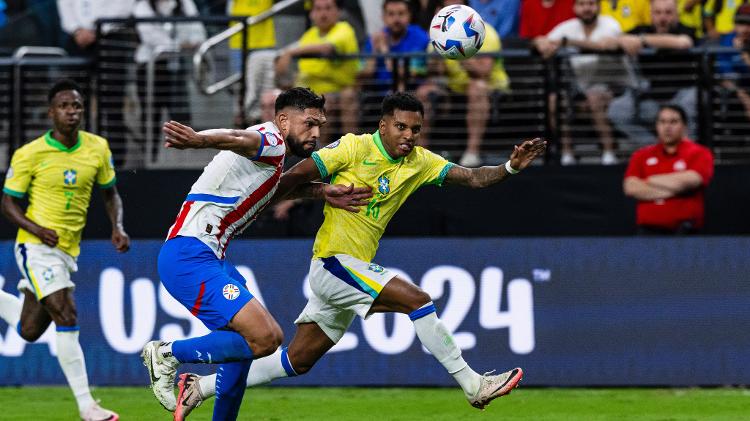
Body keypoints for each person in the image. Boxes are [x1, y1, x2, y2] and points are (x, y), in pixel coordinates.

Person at [173, 92, 547, 420]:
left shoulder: (420, 162)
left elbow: (473, 178)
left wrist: (510, 166)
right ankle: (472, 384)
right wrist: (322, 192)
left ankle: (199, 388)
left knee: (297, 360)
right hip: (333, 263)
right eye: (401, 127)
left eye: (415, 130)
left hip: (348, 271)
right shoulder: (352, 148)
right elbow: (289, 179)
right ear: (383, 125)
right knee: (417, 300)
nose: (409, 136)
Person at [140, 87, 372, 421]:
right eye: (308, 123)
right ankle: (166, 354)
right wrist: (199, 140)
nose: (316, 133)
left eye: (320, 124)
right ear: (283, 120)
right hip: (189, 256)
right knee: (267, 339)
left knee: (242, 351)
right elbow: (238, 137)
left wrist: (324, 192)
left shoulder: (271, 159)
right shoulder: (271, 140)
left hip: (208, 257)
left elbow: (271, 194)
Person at [0, 79, 129, 421]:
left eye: (77, 106)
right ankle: (88, 406)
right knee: (66, 313)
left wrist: (117, 226)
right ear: (51, 113)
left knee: (29, 330)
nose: (72, 112)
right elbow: (8, 204)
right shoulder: (29, 154)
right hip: (35, 247)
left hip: (68, 250)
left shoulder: (97, 148)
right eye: (64, 107)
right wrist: (36, 228)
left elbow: (110, 193)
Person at [532, 0, 631, 165]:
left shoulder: (610, 24)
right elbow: (544, 40)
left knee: (594, 96)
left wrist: (569, 42)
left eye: (591, 4)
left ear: (599, 6)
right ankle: (567, 154)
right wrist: (539, 43)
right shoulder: (568, 27)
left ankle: (609, 153)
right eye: (582, 4)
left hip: (615, 86)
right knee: (554, 101)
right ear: (575, 7)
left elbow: (603, 46)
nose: (587, 8)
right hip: (581, 87)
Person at [417, 0, 511, 167]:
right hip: (454, 88)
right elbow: (433, 74)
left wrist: (460, 51)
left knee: (477, 87)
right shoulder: (439, 33)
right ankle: (419, 155)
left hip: (489, 87)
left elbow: (483, 72)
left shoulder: (486, 31)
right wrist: (436, 62)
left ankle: (472, 153)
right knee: (425, 91)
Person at [56, 0, 137, 167]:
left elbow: (125, 5)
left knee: (112, 107)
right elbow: (65, 5)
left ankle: (114, 164)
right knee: (72, 103)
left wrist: (97, 29)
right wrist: (77, 30)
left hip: (111, 38)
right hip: (76, 40)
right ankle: (73, 159)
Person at [608, 0, 698, 144]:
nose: (663, 18)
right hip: (649, 99)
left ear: (676, 15)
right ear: (651, 14)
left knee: (691, 103)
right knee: (617, 111)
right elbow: (607, 41)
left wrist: (641, 40)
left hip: (681, 97)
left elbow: (684, 42)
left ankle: (686, 153)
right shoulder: (640, 30)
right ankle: (656, 149)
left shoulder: (687, 30)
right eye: (658, 13)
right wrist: (621, 40)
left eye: (668, 13)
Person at [275, 0, 360, 144]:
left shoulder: (344, 29)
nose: (323, 13)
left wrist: (289, 52)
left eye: (328, 8)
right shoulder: (310, 34)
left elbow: (327, 48)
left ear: (338, 12)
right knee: (271, 99)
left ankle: (326, 154)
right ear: (312, 13)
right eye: (318, 9)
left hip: (334, 90)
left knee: (323, 105)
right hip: (306, 91)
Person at [623, 104, 714, 234]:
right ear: (656, 126)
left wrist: (648, 180)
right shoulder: (641, 155)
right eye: (662, 122)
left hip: (685, 231)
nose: (667, 127)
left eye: (673, 122)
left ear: (684, 126)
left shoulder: (700, 153)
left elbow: (692, 180)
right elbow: (631, 187)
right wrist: (678, 191)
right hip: (647, 232)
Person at [134, 0, 206, 156]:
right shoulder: (142, 6)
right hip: (150, 70)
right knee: (150, 118)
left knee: (181, 119)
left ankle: (185, 164)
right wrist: (181, 45)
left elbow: (198, 33)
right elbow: (152, 39)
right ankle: (148, 161)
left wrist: (186, 44)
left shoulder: (185, 3)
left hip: (176, 69)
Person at [360, 0, 430, 94]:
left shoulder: (419, 37)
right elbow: (364, 75)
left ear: (409, 15)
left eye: (401, 14)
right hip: (377, 96)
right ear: (383, 17)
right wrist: (374, 51)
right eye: (391, 14)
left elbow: (410, 74)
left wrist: (385, 51)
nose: (396, 19)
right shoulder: (375, 38)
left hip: (411, 94)